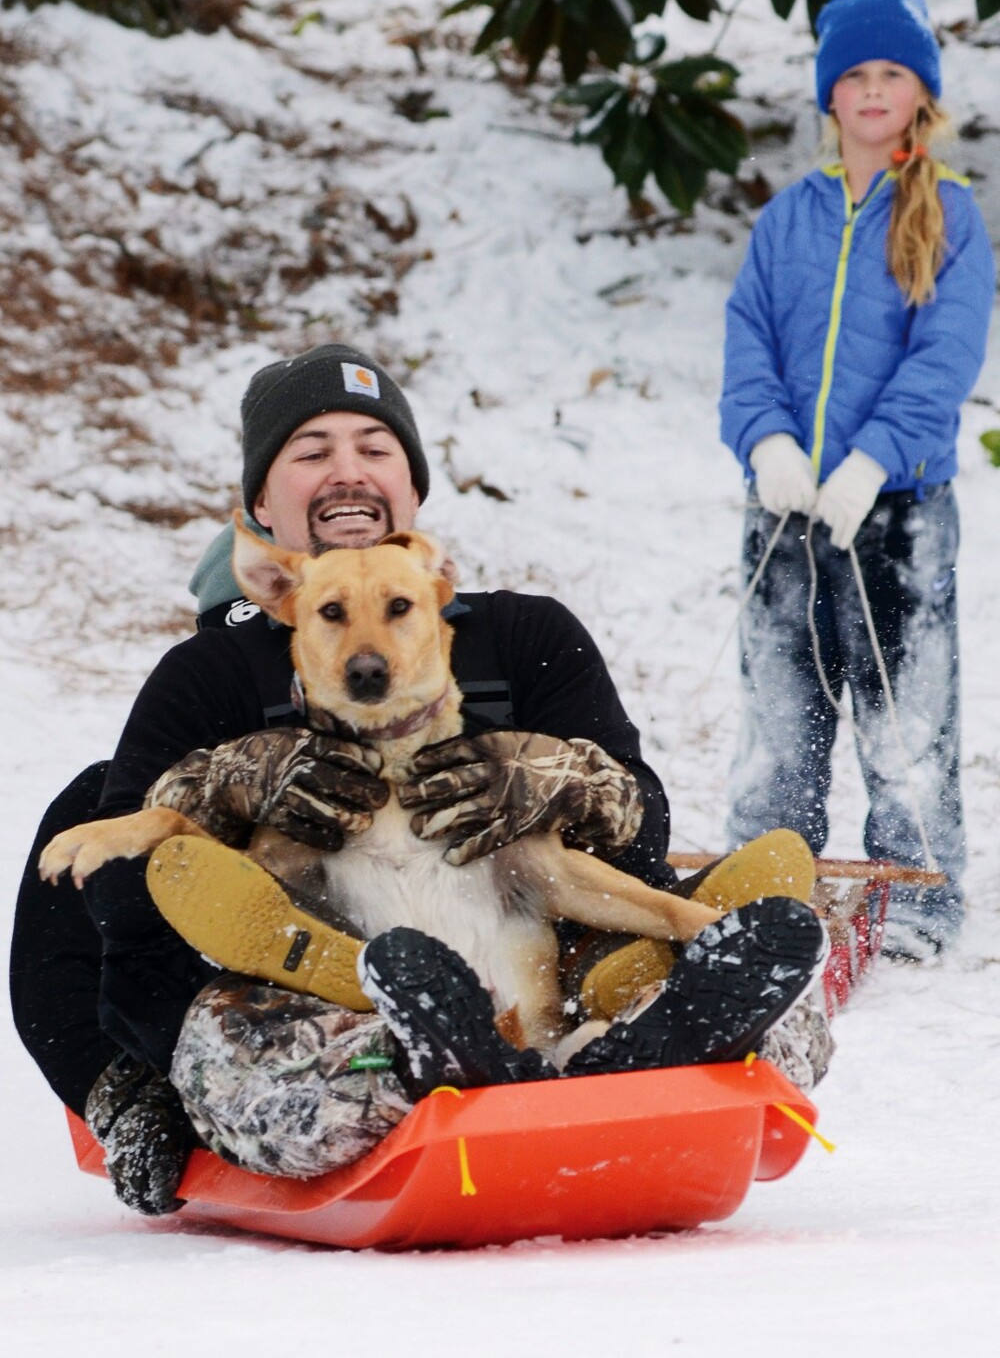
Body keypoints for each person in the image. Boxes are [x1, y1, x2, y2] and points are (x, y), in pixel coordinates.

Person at [13, 344, 828, 1211]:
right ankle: (501, 1058)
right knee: (241, 1045)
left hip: (542, 962)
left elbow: (642, 829)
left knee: (762, 1000)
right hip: (326, 1008)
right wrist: (242, 780)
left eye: (374, 446)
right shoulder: (208, 673)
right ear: (260, 501)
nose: (347, 471)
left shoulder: (525, 634)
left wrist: (549, 774)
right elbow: (112, 894)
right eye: (311, 450)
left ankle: (640, 1027)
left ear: (414, 489)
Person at [720, 0, 994, 962]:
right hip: (785, 508)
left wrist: (871, 460)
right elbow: (747, 337)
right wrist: (767, 443)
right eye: (854, 75)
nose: (872, 90)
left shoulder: (950, 220)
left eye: (893, 73)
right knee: (780, 713)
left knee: (902, 715)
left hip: (896, 514)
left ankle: (915, 898)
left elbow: (945, 356)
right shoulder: (786, 220)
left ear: (919, 94)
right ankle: (765, 878)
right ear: (827, 96)